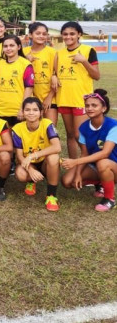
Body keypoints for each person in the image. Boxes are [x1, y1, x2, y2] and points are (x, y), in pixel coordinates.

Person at [61, 89, 117, 212]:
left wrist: (75, 162)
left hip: (113, 165)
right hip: (96, 166)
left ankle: (109, 199)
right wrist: (77, 174)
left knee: (103, 162)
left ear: (103, 108)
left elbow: (105, 153)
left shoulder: (113, 125)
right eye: (87, 105)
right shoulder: (83, 127)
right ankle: (100, 183)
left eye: (94, 105)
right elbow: (85, 153)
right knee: (67, 181)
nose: (90, 108)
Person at [53, 21, 100, 159]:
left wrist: (84, 61)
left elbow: (96, 76)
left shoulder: (88, 50)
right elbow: (55, 73)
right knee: (70, 134)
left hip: (82, 100)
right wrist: (54, 76)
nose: (68, 37)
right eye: (65, 34)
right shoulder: (59, 53)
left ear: (79, 34)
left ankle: (90, 162)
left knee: (80, 135)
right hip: (64, 99)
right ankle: (74, 165)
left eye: (72, 34)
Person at [12, 97, 61, 211]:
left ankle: (51, 196)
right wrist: (30, 169)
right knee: (20, 174)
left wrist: (33, 155)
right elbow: (19, 156)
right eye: (27, 110)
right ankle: (30, 181)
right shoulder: (17, 129)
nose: (31, 113)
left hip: (44, 161)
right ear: (23, 112)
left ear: (41, 112)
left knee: (54, 157)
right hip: (29, 163)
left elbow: (57, 147)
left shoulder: (47, 124)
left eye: (35, 110)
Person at [0, 35, 34, 127]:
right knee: (5, 139)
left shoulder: (26, 64)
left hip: (18, 110)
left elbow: (29, 88)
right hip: (2, 110)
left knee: (18, 140)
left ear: (19, 47)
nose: (8, 48)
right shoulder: (0, 64)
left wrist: (22, 108)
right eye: (5, 46)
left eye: (12, 45)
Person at [23, 22, 58, 124]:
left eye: (44, 34)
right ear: (30, 35)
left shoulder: (52, 52)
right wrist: (26, 60)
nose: (41, 36)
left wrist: (49, 97)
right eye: (38, 33)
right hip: (29, 99)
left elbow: (57, 76)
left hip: (48, 98)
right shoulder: (23, 52)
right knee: (32, 132)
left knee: (50, 130)